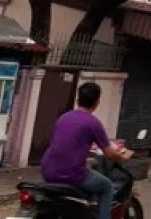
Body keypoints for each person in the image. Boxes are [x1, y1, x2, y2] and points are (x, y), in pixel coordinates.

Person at [40, 81, 132, 219]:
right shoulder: (93, 122)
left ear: (78, 99)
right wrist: (122, 156)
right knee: (106, 186)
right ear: (97, 102)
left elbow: (63, 146)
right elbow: (110, 153)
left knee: (90, 169)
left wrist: (86, 160)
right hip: (71, 174)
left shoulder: (63, 118)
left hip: (47, 170)